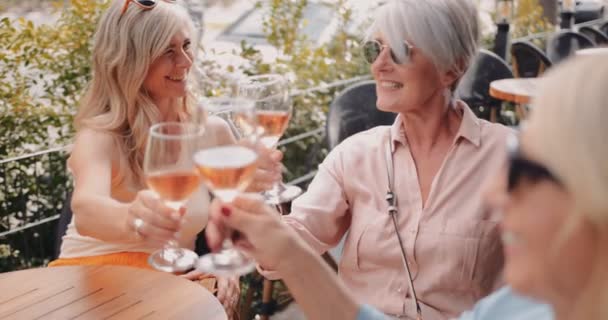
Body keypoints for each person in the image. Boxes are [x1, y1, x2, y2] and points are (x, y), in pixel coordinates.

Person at [205, 54, 608, 320]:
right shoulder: (518, 307)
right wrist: (262, 218)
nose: (494, 194)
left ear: (452, 66)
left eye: (526, 169)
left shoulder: (494, 150)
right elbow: (290, 246)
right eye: (374, 48)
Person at [258, 0, 512, 318]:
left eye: (400, 51)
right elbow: (280, 253)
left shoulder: (509, 158)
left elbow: (550, 281)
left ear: (453, 67)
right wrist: (254, 197)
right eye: (374, 49)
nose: (378, 65)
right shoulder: (353, 157)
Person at [48, 0, 281, 318]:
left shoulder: (212, 131)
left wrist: (228, 267)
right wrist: (132, 216)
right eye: (167, 52)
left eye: (186, 45)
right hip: (93, 280)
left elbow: (238, 219)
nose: (185, 61)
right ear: (131, 61)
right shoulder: (101, 134)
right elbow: (87, 209)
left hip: (173, 286)